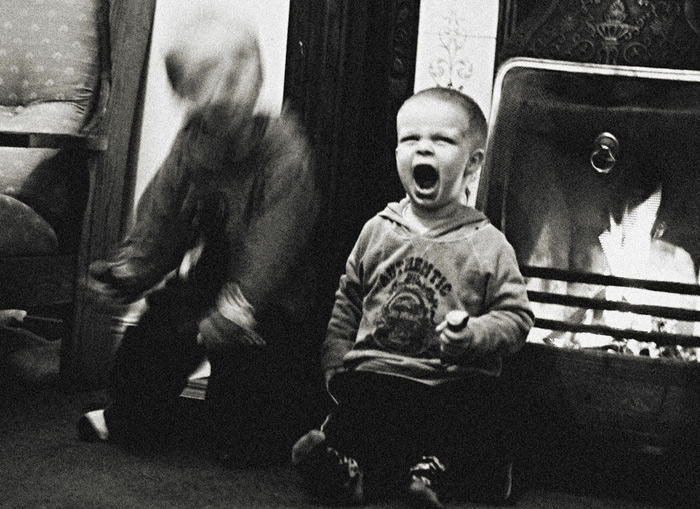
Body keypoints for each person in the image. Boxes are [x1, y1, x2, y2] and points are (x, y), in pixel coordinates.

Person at [77, 8, 324, 467]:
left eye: (236, 74)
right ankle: (129, 414)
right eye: (205, 81)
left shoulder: (284, 148)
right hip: (212, 272)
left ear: (258, 74)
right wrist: (131, 271)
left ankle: (255, 431)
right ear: (185, 94)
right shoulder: (192, 146)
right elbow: (163, 218)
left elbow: (277, 240)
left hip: (276, 293)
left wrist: (238, 308)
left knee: (250, 403)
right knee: (154, 335)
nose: (224, 90)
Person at [292, 87, 534, 508]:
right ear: (396, 153)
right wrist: (336, 358)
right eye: (410, 139)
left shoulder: (488, 244)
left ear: (473, 163)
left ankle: (428, 475)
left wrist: (473, 336)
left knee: (482, 415)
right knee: (357, 414)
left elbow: (516, 317)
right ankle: (347, 470)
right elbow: (349, 299)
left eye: (442, 140)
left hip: (450, 380)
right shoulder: (377, 231)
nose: (423, 148)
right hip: (379, 373)